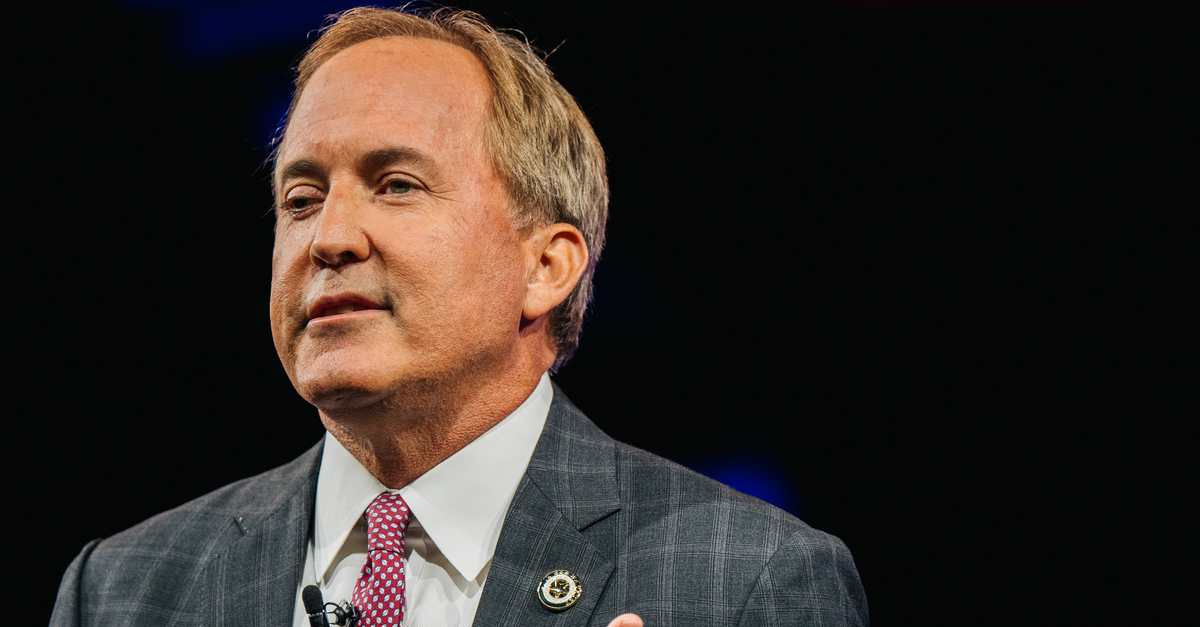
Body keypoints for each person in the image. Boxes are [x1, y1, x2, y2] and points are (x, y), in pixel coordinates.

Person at [51, 6, 868, 626]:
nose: (328, 237)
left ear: (544, 266)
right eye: (301, 199)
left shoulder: (749, 582)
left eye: (397, 184)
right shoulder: (123, 589)